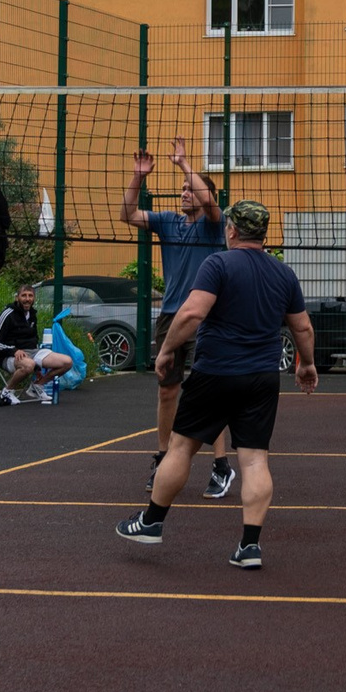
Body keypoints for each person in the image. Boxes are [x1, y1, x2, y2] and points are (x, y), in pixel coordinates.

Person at [117, 199, 316, 568]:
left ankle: (151, 522)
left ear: (232, 230)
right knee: (255, 459)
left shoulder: (218, 263)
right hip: (261, 378)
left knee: (180, 448)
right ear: (263, 234)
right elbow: (302, 326)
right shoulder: (283, 273)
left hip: (216, 372)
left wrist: (166, 350)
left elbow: (192, 313)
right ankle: (250, 547)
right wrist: (307, 365)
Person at [123, 138, 235, 500]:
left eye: (190, 189)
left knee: (210, 391)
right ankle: (163, 457)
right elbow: (127, 215)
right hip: (171, 316)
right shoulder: (168, 222)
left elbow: (210, 203)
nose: (184, 192)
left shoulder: (214, 226)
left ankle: (221, 467)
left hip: (205, 316)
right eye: (182, 188)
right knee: (167, 389)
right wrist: (138, 178)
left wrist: (186, 165)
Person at [0, 282, 74, 402]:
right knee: (29, 364)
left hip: (32, 352)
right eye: (24, 295)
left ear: (34, 298)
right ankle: (7, 392)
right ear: (17, 297)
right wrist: (14, 350)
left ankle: (38, 386)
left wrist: (38, 367)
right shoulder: (7, 314)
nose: (27, 299)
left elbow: (33, 339)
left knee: (67, 362)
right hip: (9, 356)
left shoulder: (32, 314)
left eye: (30, 296)